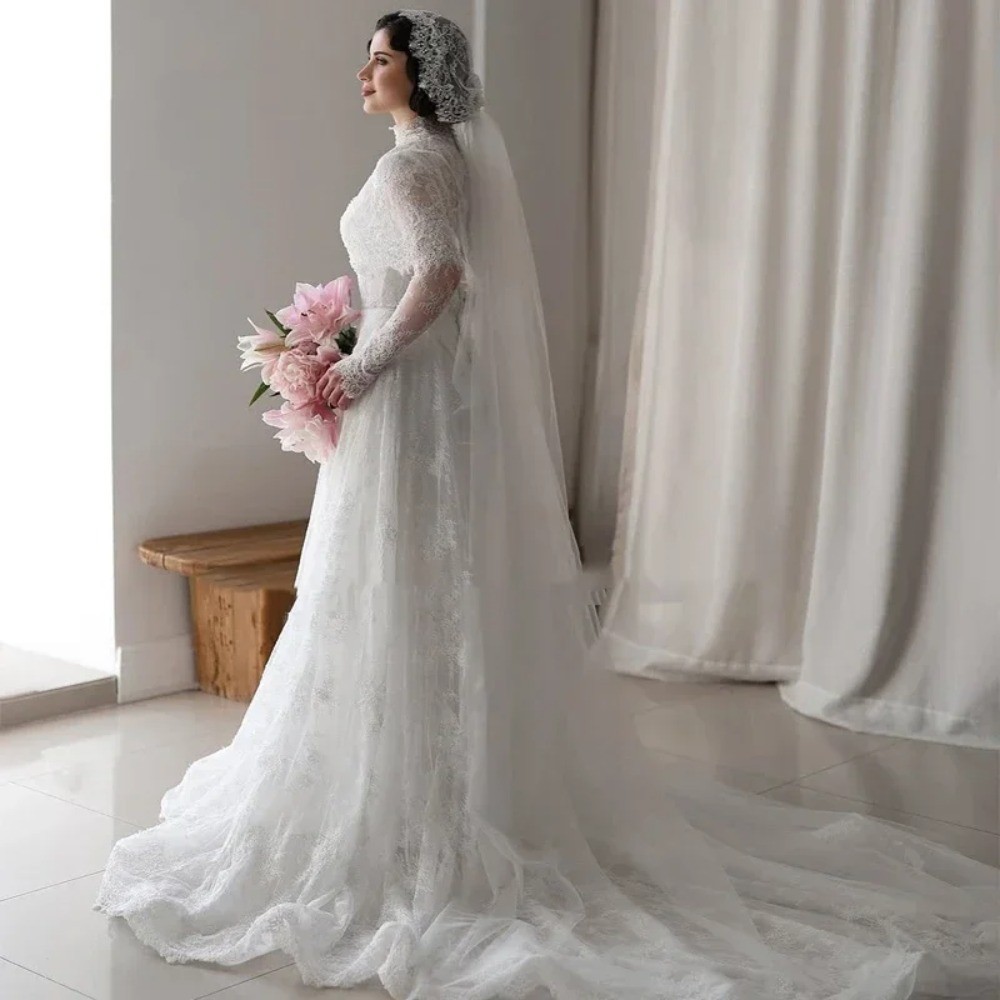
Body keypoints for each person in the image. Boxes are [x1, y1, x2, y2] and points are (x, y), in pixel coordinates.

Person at [94, 9, 999, 999]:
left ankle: (416, 799)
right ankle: (434, 781)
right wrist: (348, 350)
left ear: (420, 76)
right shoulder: (439, 157)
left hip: (411, 401)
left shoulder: (413, 166)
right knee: (419, 586)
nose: (364, 72)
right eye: (367, 57)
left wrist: (364, 364)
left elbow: (441, 273)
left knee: (401, 582)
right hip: (422, 398)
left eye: (382, 59)